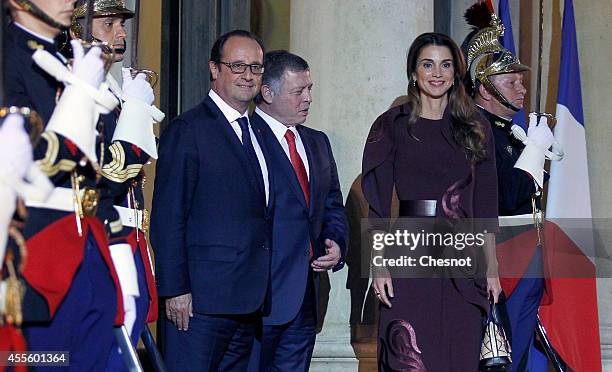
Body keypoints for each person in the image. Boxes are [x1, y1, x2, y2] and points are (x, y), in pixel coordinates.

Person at [361, 32, 501, 371]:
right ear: (413, 72)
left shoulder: (476, 126)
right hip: (409, 258)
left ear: (455, 73)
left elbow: (485, 205)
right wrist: (378, 264)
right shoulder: (391, 125)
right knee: (411, 357)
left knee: (460, 352)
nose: (437, 73)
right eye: (428, 64)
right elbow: (378, 205)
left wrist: (493, 270)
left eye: (445, 65)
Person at [3, 0, 125, 369]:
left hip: (87, 245)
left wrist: (114, 244)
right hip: (36, 251)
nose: (69, 1)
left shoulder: (62, 59)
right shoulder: (9, 58)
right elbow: (27, 159)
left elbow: (94, 169)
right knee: (47, 361)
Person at [150, 29, 272, 371]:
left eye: (256, 67)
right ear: (214, 69)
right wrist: (174, 289)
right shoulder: (187, 130)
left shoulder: (259, 131)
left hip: (248, 303)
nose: (248, 75)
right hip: (197, 306)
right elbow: (168, 216)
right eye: (238, 65)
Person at [462, 4, 558, 370]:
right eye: (511, 81)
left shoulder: (507, 133)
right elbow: (502, 196)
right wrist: (534, 154)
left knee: (519, 352)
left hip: (526, 255)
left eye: (521, 80)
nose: (522, 88)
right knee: (499, 355)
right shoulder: (475, 130)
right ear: (485, 88)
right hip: (500, 257)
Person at [71, 1, 162, 369]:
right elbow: (109, 173)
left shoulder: (110, 88)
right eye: (108, 24)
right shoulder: (79, 89)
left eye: (120, 24)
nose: (120, 33)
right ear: (78, 29)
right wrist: (136, 114)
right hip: (97, 240)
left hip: (127, 239)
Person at [247, 50, 348, 371]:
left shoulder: (317, 142)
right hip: (259, 298)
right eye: (298, 91)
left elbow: (332, 203)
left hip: (305, 298)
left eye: (310, 89)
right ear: (267, 92)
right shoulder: (245, 138)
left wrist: (336, 242)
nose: (308, 98)